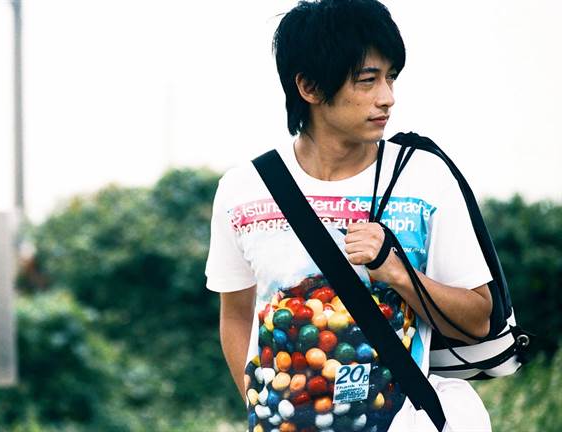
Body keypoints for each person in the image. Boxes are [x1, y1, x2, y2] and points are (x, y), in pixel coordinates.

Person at [205, 1, 493, 430]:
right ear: (309, 87)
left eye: (391, 78)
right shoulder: (244, 189)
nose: (387, 98)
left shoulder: (423, 179)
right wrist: (261, 407)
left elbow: (477, 320)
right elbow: (235, 314)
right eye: (367, 80)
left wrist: (396, 272)